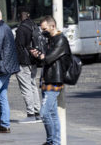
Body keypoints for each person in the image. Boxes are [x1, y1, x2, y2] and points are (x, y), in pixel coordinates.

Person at [30, 16, 71, 145]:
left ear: (53, 26)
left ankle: (52, 141)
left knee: (44, 113)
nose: (43, 31)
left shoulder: (60, 40)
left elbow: (48, 58)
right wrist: (38, 55)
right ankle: (54, 142)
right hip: (47, 79)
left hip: (54, 80)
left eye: (45, 29)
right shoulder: (51, 39)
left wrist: (42, 56)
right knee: (52, 114)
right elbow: (44, 59)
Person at [15, 11, 41, 123]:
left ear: (20, 16)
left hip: (24, 62)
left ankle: (30, 114)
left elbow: (19, 47)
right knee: (33, 85)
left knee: (26, 88)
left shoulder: (21, 29)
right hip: (34, 60)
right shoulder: (34, 26)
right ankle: (38, 112)